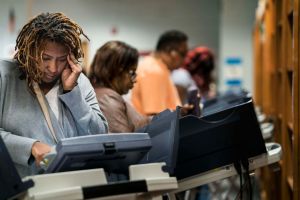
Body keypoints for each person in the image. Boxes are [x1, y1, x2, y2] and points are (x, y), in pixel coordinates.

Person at [0, 12, 108, 177]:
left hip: (74, 183)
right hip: (20, 187)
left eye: (62, 59)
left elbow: (99, 135)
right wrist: (30, 147)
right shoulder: (5, 75)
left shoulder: (79, 81)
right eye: (45, 58)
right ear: (30, 51)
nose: (53, 68)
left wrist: (72, 93)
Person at [88, 41, 150, 133]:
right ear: (116, 71)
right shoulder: (108, 99)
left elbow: (141, 123)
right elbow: (125, 142)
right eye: (131, 72)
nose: (134, 80)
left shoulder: (106, 95)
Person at [131, 30, 189, 116]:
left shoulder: (155, 66)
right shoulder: (154, 71)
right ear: (171, 51)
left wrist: (181, 111)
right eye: (183, 54)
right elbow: (155, 117)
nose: (185, 60)